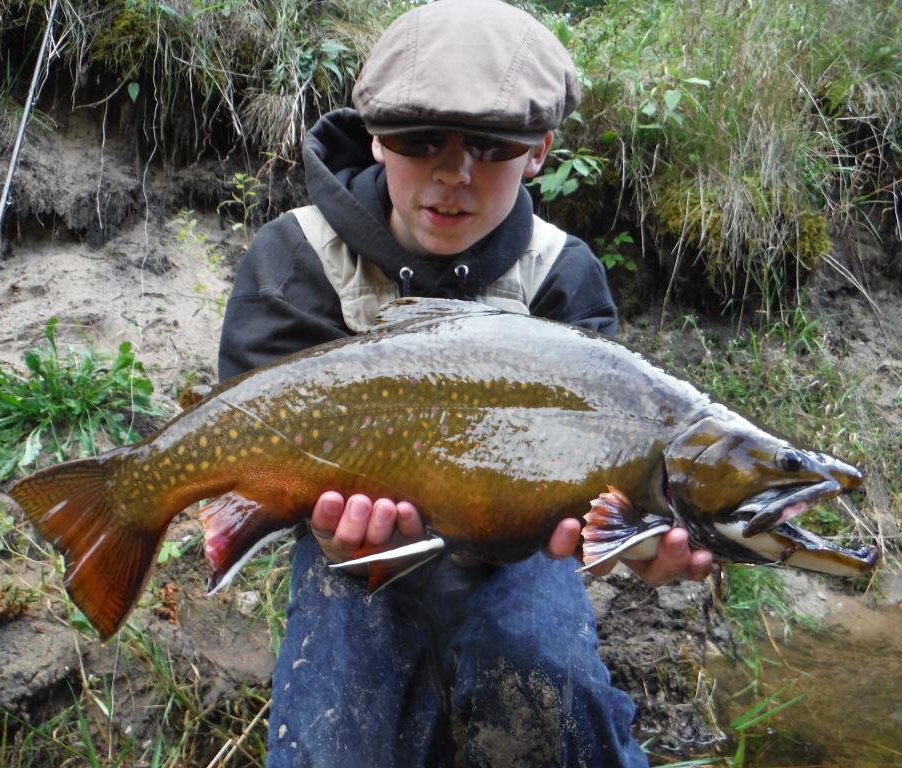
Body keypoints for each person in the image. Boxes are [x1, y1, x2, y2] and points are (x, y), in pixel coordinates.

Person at [218, 1, 712, 765]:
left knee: (560, 700)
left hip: (514, 558)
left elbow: (600, 497)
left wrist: (637, 544)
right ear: (378, 137)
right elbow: (251, 446)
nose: (455, 173)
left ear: (541, 150)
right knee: (331, 740)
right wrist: (321, 527)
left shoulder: (562, 275)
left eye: (491, 145)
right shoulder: (295, 257)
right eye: (421, 142)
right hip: (347, 558)